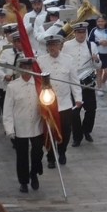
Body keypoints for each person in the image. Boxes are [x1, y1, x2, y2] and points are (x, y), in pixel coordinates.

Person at [36, 35, 81, 168]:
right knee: (49, 130)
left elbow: (74, 80)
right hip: (48, 104)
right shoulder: (40, 61)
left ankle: (62, 151)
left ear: (60, 45)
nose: (52, 48)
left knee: (66, 130)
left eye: (55, 45)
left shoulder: (69, 60)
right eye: (50, 45)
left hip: (65, 102)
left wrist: (78, 98)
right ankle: (51, 156)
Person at [3, 57, 44, 193]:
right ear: (19, 69)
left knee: (37, 152)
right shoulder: (13, 86)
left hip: (36, 125)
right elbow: (7, 110)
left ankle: (34, 174)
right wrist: (9, 130)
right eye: (24, 68)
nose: (27, 71)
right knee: (22, 156)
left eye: (29, 68)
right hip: (20, 126)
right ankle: (24, 181)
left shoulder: (39, 84)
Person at [63, 22, 97, 146]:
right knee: (74, 112)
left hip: (87, 82)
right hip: (73, 82)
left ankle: (86, 130)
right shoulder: (66, 45)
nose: (82, 35)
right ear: (75, 33)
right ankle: (77, 137)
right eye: (79, 32)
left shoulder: (91, 45)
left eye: (84, 32)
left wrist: (96, 60)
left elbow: (98, 65)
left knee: (91, 108)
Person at [88, 14, 107, 95]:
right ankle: (99, 87)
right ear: (96, 22)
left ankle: (103, 82)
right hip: (98, 54)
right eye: (99, 21)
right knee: (99, 71)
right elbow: (90, 41)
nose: (100, 23)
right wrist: (98, 43)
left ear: (105, 21)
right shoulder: (94, 30)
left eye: (102, 21)